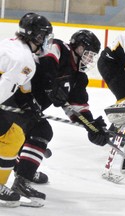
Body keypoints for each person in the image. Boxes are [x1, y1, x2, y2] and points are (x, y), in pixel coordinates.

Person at [12, 29, 109, 207]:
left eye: (91, 55)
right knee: (41, 131)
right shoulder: (59, 48)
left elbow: (77, 107)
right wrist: (51, 83)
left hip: (32, 109)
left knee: (32, 131)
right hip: (17, 98)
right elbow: (47, 61)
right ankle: (22, 181)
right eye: (86, 52)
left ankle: (24, 168)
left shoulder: (79, 77)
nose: (88, 58)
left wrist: (92, 126)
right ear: (76, 45)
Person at [0, 12, 53, 207]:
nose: (47, 41)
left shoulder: (11, 42)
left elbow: (19, 83)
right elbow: (3, 90)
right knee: (13, 136)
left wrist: (30, 105)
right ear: (37, 37)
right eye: (45, 36)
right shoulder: (25, 60)